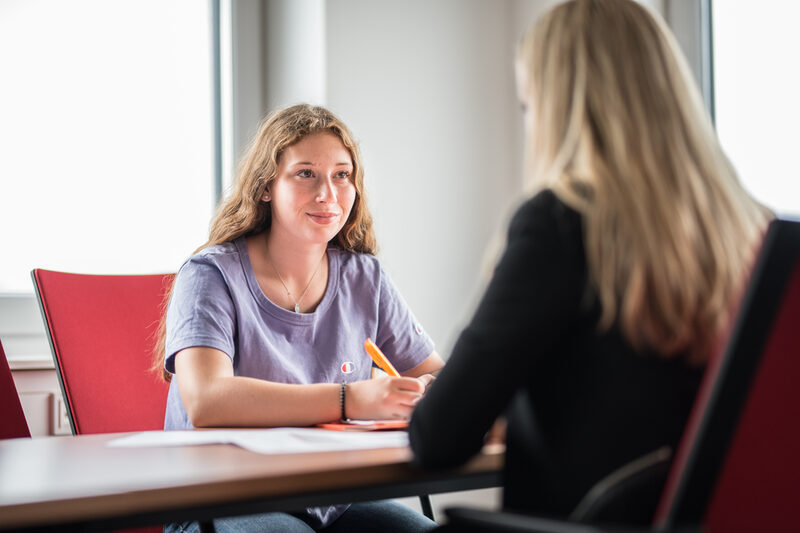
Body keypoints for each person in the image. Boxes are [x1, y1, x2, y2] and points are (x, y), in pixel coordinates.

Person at [409, 0, 771, 525]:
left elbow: (437, 436)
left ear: (561, 107)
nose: (531, 124)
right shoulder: (746, 228)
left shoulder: (561, 223)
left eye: (529, 107)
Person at [154, 104, 444, 533]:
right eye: (305, 173)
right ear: (267, 185)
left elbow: (436, 376)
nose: (328, 193)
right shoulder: (209, 275)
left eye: (342, 175)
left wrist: (426, 391)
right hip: (222, 501)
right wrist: (353, 399)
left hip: (332, 501)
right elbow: (206, 401)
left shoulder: (365, 276)